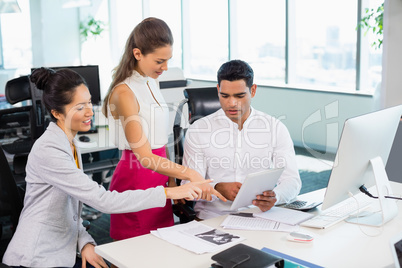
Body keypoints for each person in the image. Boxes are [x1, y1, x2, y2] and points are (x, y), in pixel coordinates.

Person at [2, 67, 209, 268]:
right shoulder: (50, 150)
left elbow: (70, 210)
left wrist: (85, 243)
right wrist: (169, 192)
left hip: (64, 247)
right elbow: (104, 201)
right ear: (57, 113)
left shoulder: (68, 142)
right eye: (79, 107)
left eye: (89, 102)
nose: (89, 112)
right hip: (36, 257)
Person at [102, 17, 225, 241]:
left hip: (159, 174)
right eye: (160, 61)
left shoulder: (151, 81)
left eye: (168, 60)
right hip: (136, 177)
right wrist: (189, 173)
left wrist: (171, 180)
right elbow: (145, 156)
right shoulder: (124, 92)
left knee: (161, 244)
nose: (165, 67)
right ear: (138, 54)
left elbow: (160, 137)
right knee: (134, 250)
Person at [182, 59, 301, 220]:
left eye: (239, 95)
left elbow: (292, 181)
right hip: (212, 218)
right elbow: (187, 188)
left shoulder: (275, 128)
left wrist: (276, 197)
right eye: (224, 95)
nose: (231, 103)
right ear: (218, 90)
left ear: (253, 90)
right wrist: (216, 188)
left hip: (260, 216)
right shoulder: (199, 130)